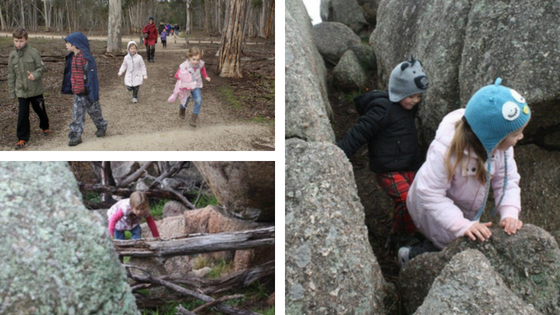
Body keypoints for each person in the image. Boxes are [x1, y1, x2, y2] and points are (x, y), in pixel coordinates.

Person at [399, 78, 530, 266]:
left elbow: (507, 180)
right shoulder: (446, 151)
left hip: (461, 209)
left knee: (453, 239)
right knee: (443, 246)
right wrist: (462, 225)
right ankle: (410, 257)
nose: (522, 137)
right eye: (516, 134)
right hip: (430, 211)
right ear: (494, 136)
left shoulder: (501, 148)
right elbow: (429, 193)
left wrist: (509, 212)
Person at [337, 56, 429, 238]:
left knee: (421, 199)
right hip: (388, 169)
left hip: (409, 164)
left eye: (419, 96)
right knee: (407, 200)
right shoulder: (382, 110)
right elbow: (359, 134)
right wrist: (337, 155)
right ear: (399, 91)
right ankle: (402, 236)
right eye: (412, 96)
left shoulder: (409, 108)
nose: (416, 100)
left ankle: (407, 228)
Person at [61, 32, 108, 146]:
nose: (66, 45)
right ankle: (75, 135)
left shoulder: (87, 59)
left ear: (75, 44)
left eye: (68, 42)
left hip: (88, 92)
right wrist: (71, 87)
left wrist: (92, 92)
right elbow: (70, 75)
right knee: (77, 114)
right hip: (78, 93)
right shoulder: (71, 58)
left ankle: (101, 126)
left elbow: (92, 78)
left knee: (95, 112)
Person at [8, 28, 50, 150]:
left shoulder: (33, 52)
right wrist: (12, 92)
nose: (18, 44)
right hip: (22, 92)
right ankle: (22, 138)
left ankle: (45, 127)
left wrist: (34, 75)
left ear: (26, 40)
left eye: (21, 41)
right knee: (22, 115)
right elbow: (11, 75)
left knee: (40, 110)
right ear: (13, 40)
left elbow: (42, 68)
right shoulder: (12, 56)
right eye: (16, 41)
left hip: (35, 90)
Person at [176, 47, 211, 127]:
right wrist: (181, 79)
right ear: (189, 57)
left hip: (196, 85)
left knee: (199, 100)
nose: (196, 62)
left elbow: (202, 69)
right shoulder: (185, 65)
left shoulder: (200, 63)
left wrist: (206, 76)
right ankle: (182, 109)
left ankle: (194, 117)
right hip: (186, 86)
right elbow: (178, 74)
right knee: (185, 101)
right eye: (194, 59)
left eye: (198, 59)